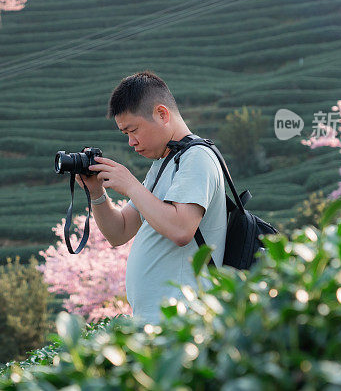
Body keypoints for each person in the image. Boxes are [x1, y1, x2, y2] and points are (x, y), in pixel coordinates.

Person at [76, 70, 227, 326]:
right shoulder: (164, 164)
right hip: (160, 323)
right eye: (125, 134)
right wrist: (96, 193)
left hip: (183, 321)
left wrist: (131, 186)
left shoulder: (196, 158)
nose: (131, 142)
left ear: (162, 114)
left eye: (133, 130)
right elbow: (119, 232)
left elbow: (181, 229)